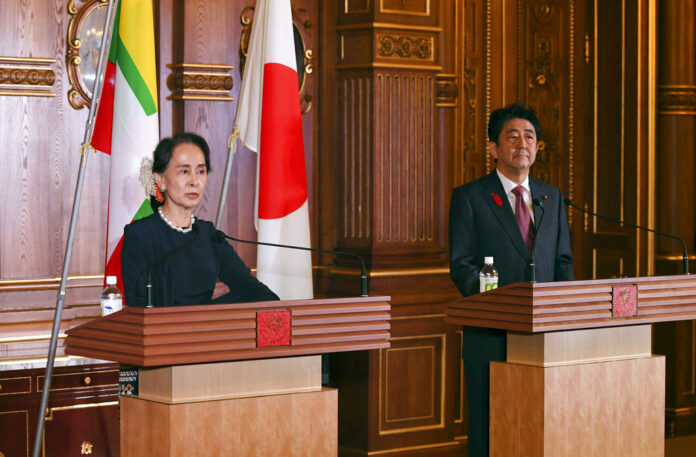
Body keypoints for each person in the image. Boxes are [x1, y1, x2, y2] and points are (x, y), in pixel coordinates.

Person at [449, 103, 574, 457]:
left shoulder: (552, 197)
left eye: (530, 137)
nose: (523, 144)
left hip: (544, 338)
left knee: (538, 426)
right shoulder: (470, 197)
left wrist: (564, 314)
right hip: (491, 336)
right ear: (493, 148)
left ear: (537, 147)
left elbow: (563, 264)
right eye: (513, 136)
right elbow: (461, 266)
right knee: (490, 429)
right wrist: (499, 301)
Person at [121, 132, 279, 307]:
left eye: (201, 171)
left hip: (205, 330)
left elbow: (250, 288)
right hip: (160, 330)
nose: (194, 181)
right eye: (184, 171)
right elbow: (137, 304)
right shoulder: (140, 235)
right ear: (160, 180)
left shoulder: (210, 235)